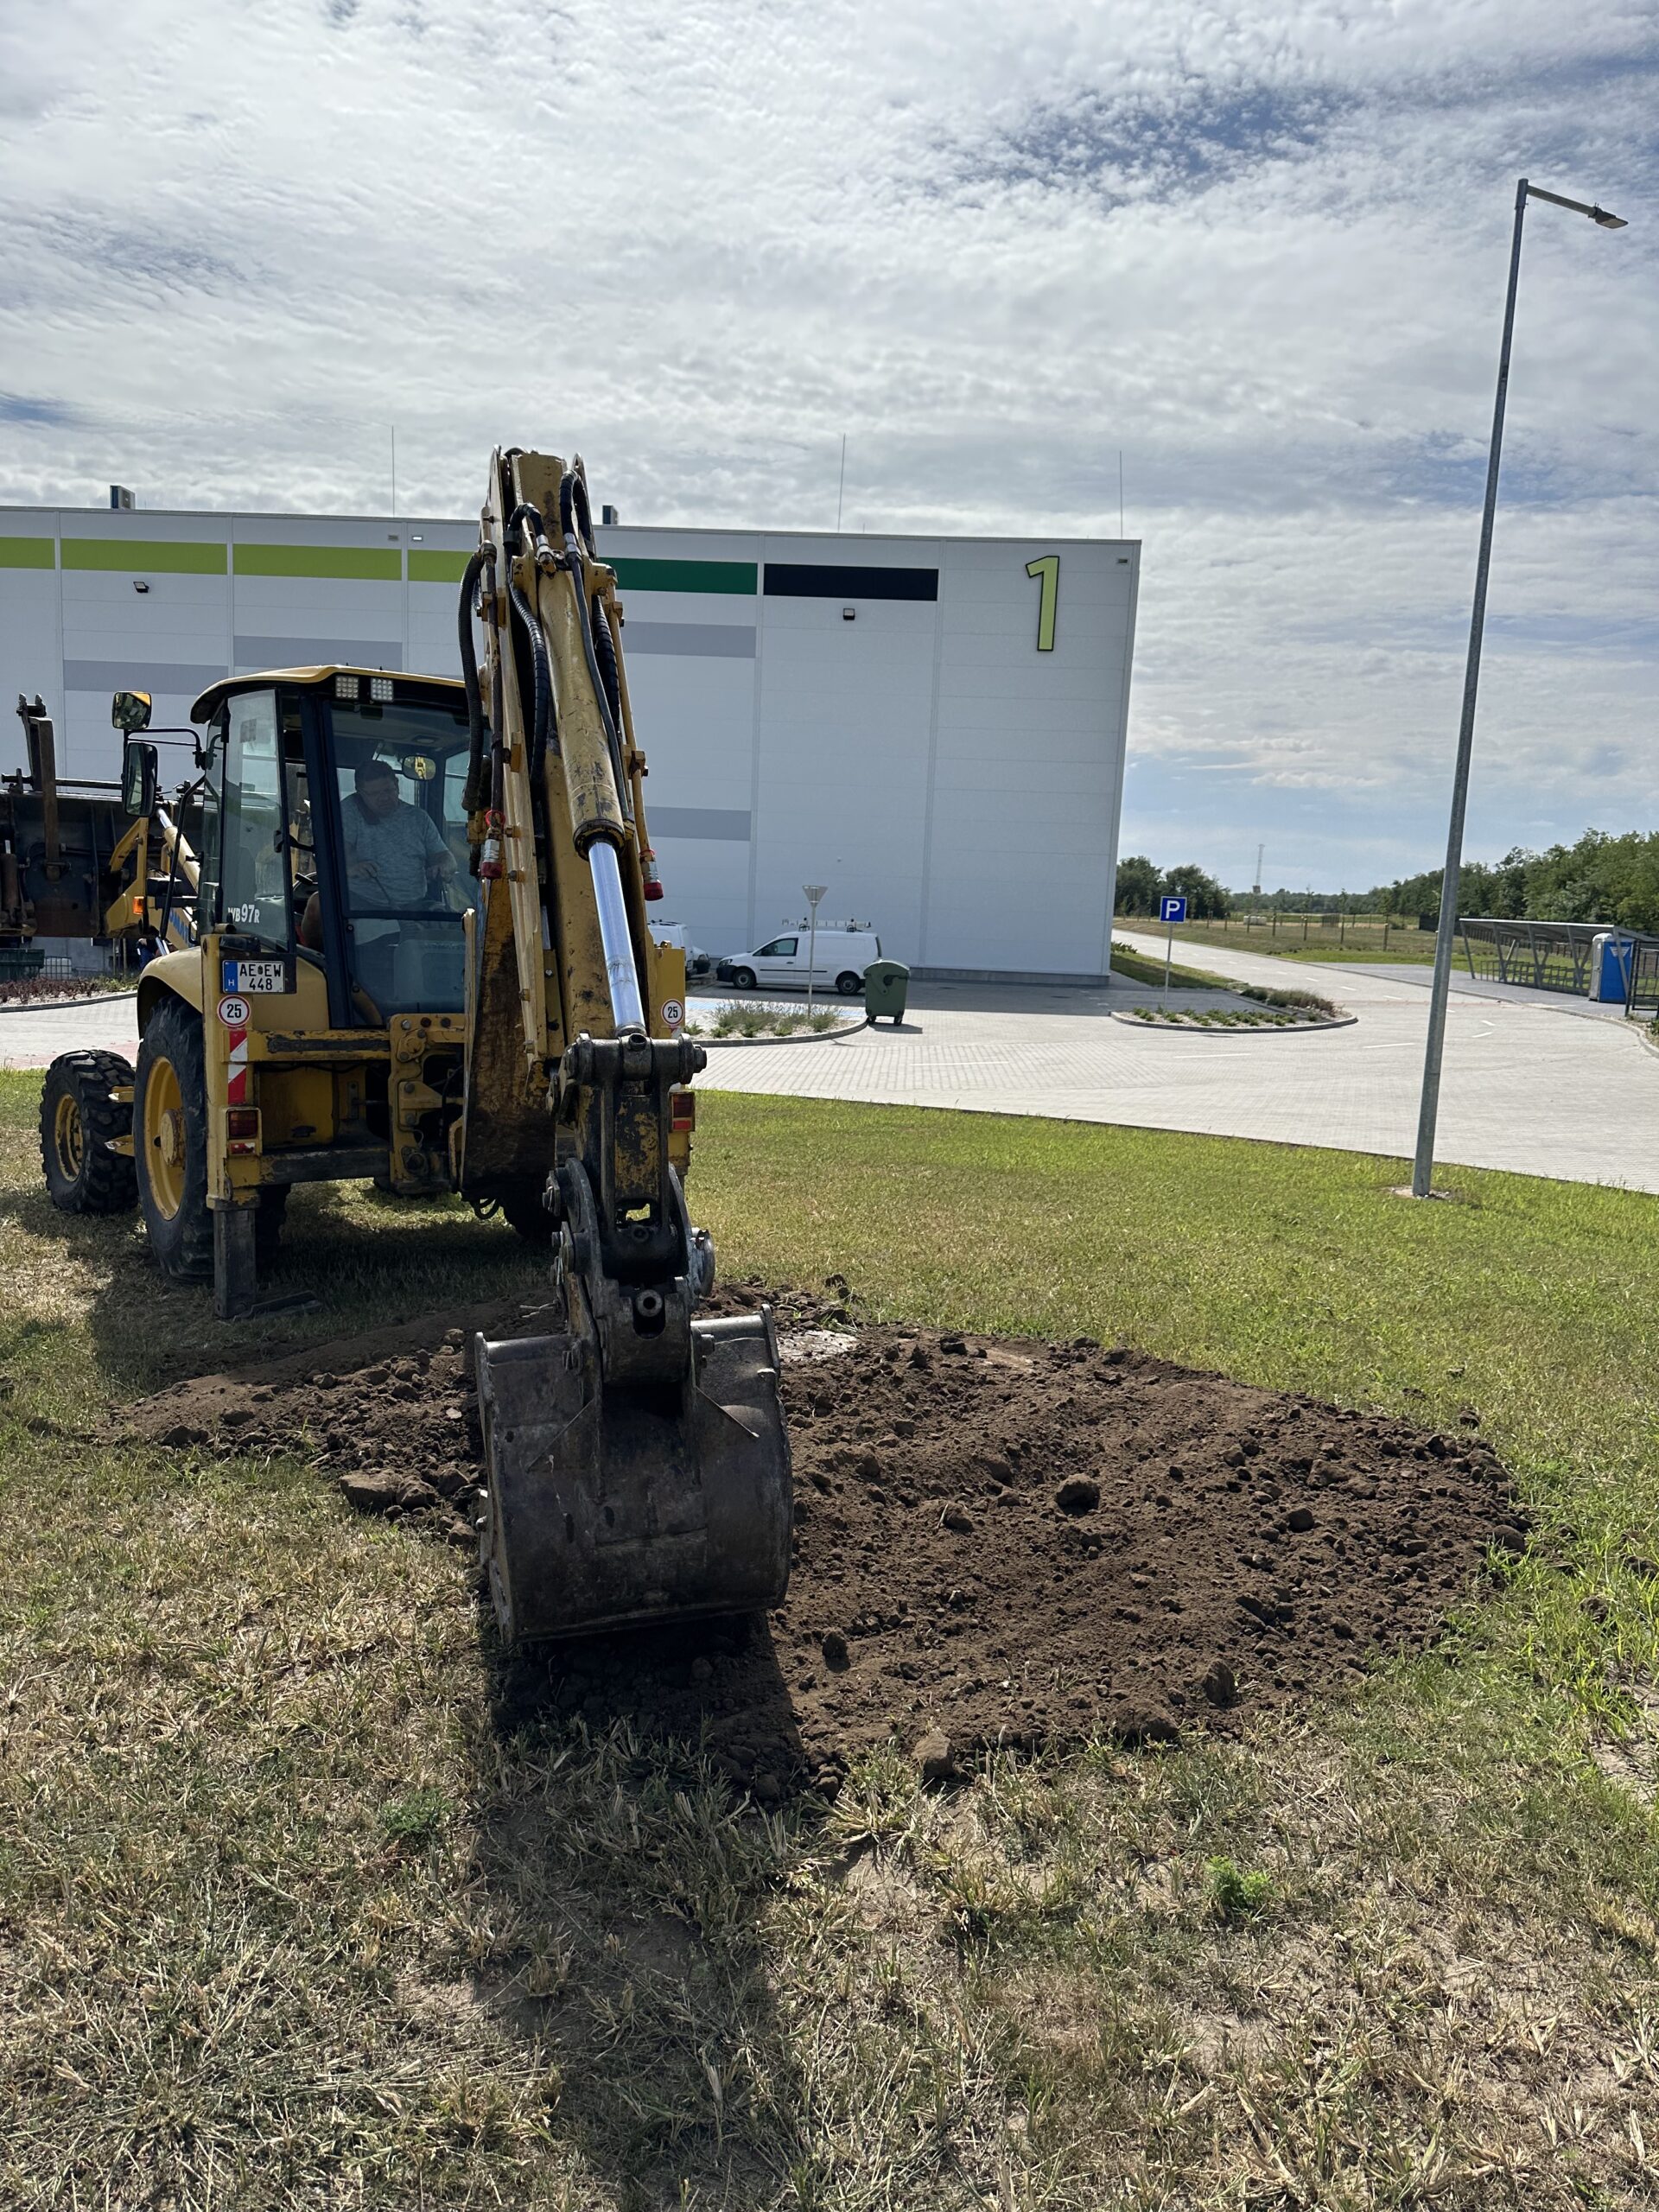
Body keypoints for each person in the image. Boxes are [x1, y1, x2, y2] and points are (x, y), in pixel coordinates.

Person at [340, 760, 456, 908]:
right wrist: (350, 868)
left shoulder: (418, 817)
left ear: (397, 784)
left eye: (388, 790)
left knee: (457, 925)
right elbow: (332, 857)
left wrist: (443, 867)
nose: (383, 798)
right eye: (374, 794)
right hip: (363, 904)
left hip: (416, 905)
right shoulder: (349, 812)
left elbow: (445, 856)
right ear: (360, 792)